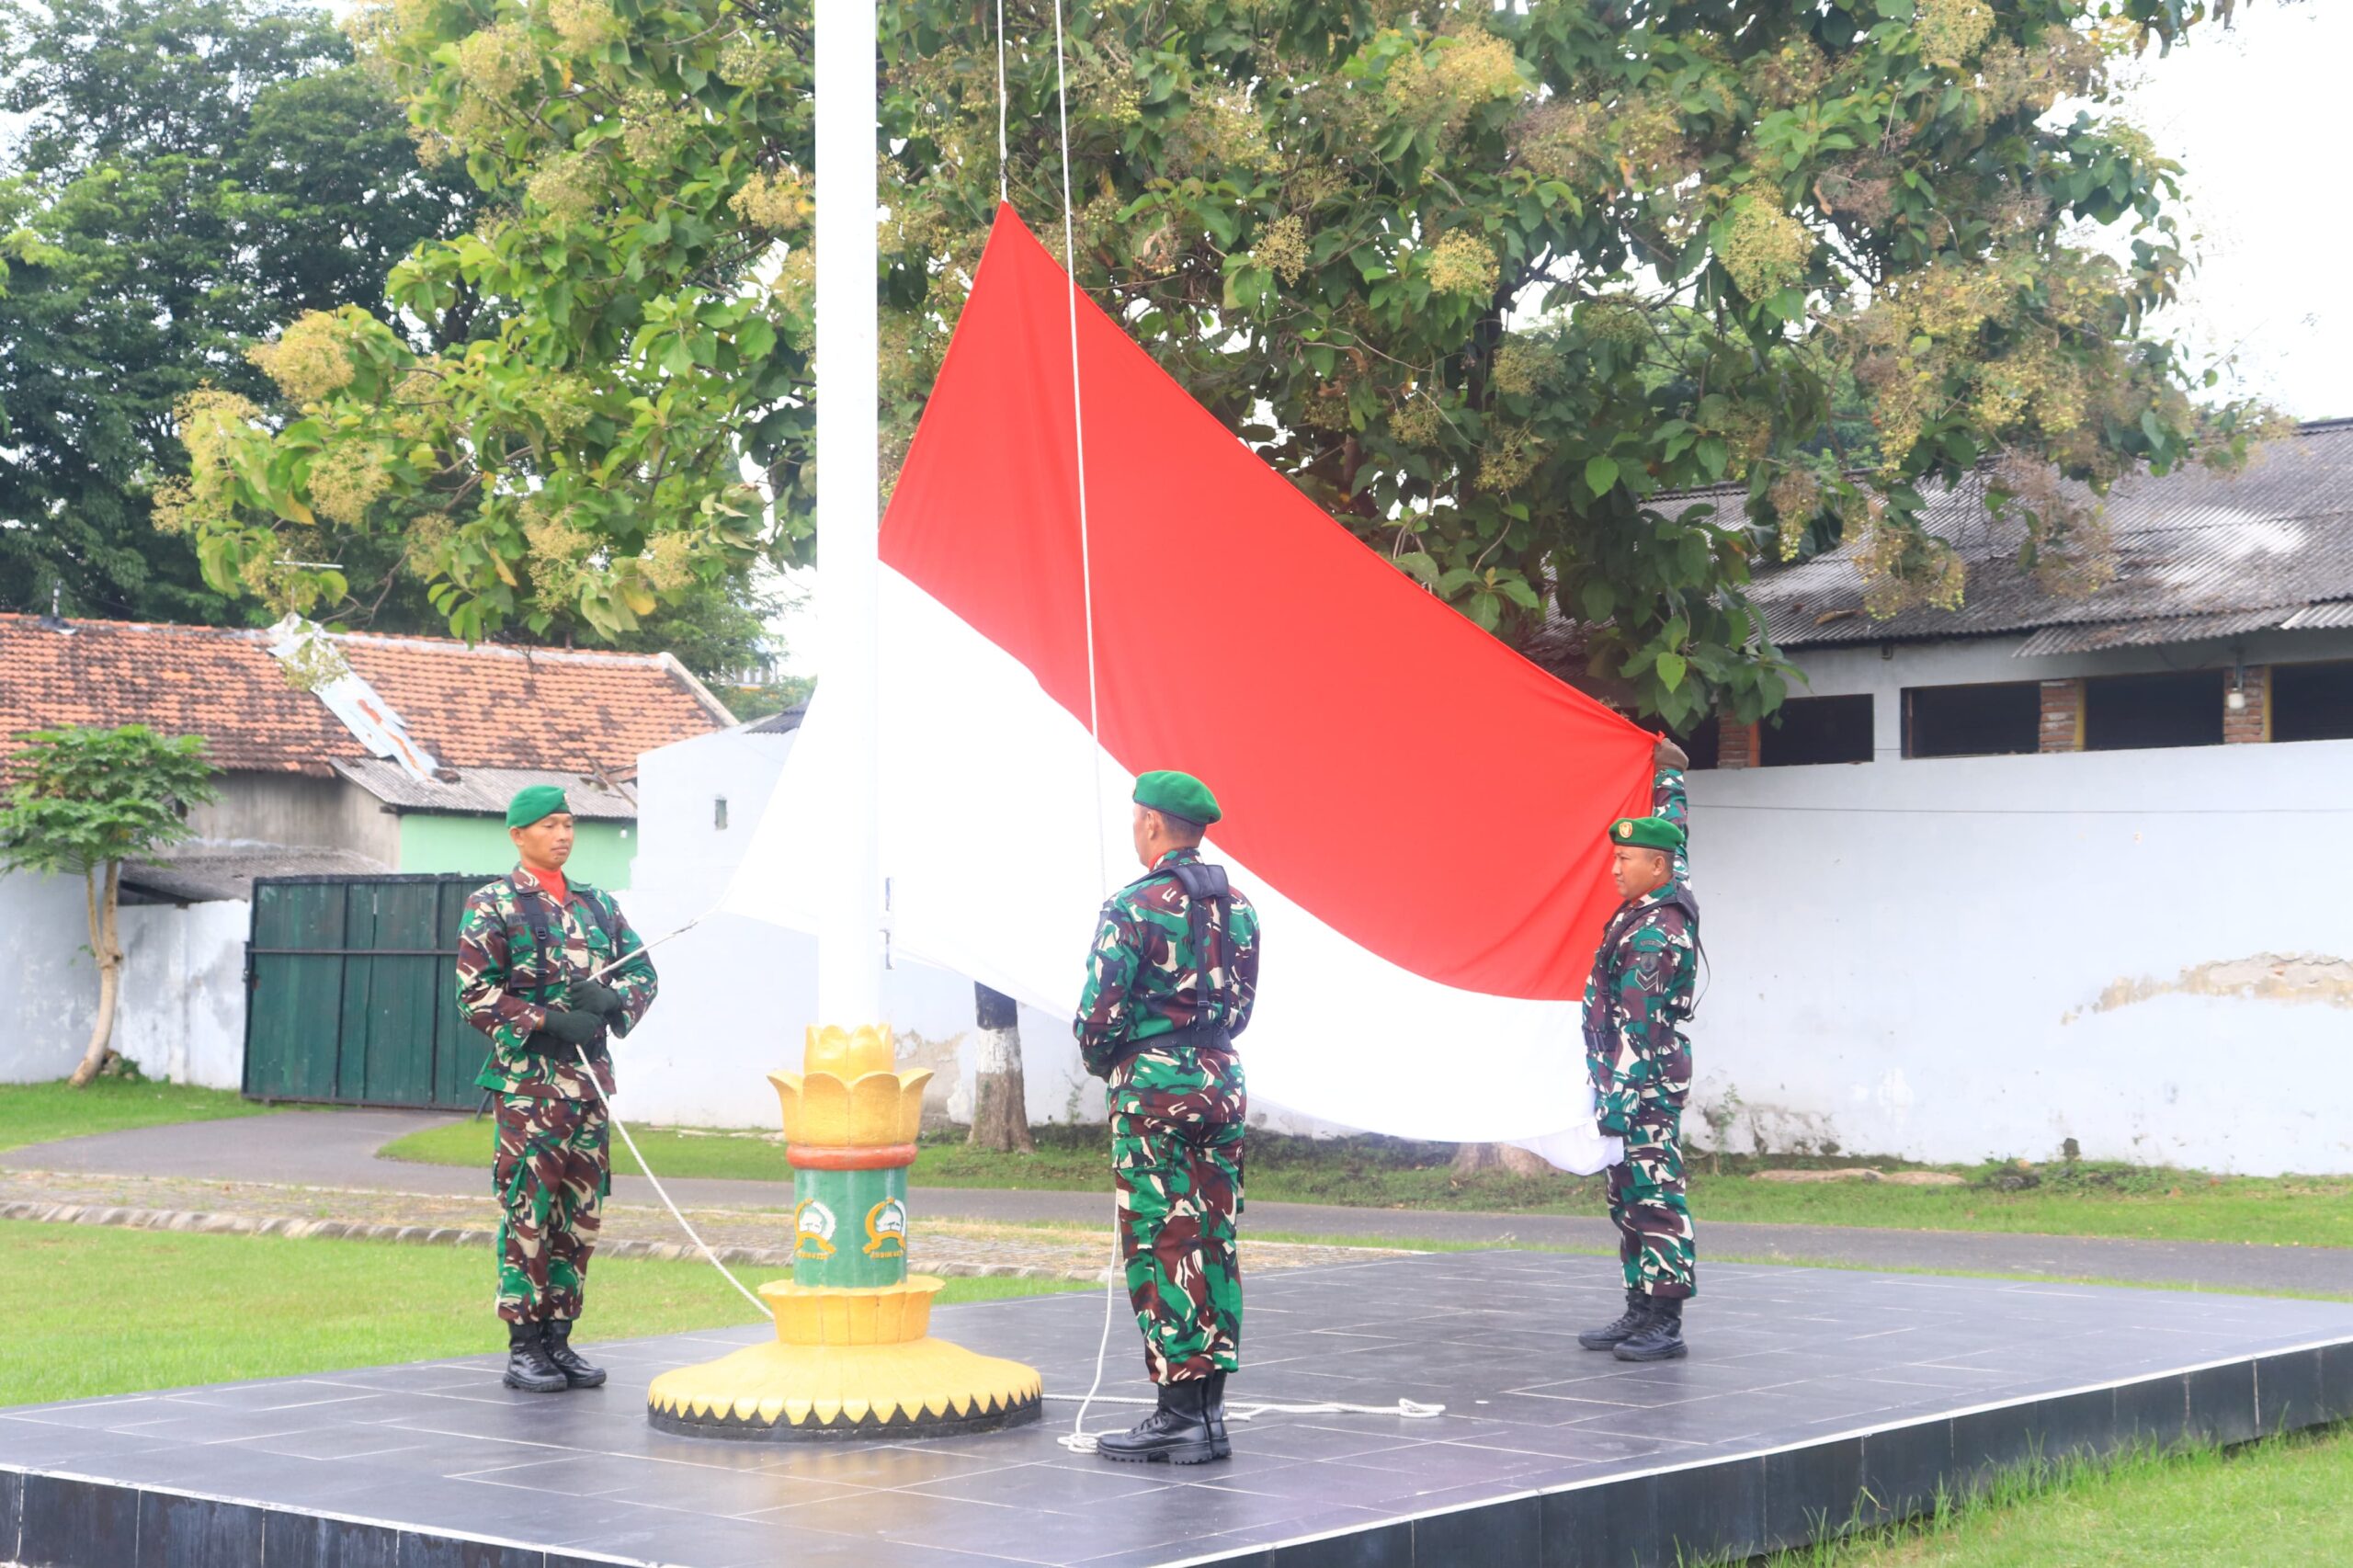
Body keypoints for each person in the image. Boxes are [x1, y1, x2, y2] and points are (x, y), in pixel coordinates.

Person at [1074, 770, 1262, 1464]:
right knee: (1213, 1239)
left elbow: (1097, 1018)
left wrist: (1118, 1065)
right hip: (1221, 1083)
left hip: (1153, 1092)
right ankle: (1208, 1416)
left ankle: (1179, 1416)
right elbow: (1240, 1009)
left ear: (1152, 823)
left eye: (1135, 820)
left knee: (1163, 1243)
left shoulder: (1133, 906)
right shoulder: (1239, 908)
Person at [456, 785, 658, 1393]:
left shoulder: (598, 906)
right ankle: (524, 1345)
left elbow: (643, 971)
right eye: (549, 825)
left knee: (580, 1214)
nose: (563, 835)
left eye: (568, 823)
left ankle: (559, 1339)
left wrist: (612, 1000)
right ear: (518, 835)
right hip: (530, 1090)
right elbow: (474, 994)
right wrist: (547, 1020)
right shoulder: (493, 905)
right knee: (529, 1211)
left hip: (589, 1086)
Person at [1577, 737, 1699, 1362]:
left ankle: (1665, 1321)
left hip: (1642, 1084)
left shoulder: (1655, 935)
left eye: (1625, 859)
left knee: (1653, 1198)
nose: (1615, 870)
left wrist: (1617, 1103)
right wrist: (1669, 777)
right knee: (1625, 1198)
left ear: (1655, 866)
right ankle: (1638, 1307)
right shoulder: (1667, 885)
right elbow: (1676, 834)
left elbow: (1638, 1030)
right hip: (1634, 1080)